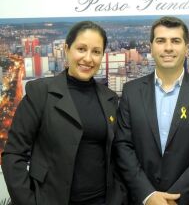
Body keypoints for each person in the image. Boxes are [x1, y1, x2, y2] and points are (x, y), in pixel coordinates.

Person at [1, 21, 126, 205]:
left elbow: (116, 156)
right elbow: (13, 154)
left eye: (96, 52)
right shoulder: (40, 92)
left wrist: (119, 197)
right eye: (81, 49)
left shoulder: (110, 98)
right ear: (67, 49)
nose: (88, 58)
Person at [115, 16, 189, 205]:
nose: (168, 48)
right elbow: (123, 146)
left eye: (175, 41)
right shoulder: (131, 91)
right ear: (150, 47)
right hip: (143, 200)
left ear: (187, 47)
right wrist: (149, 195)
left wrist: (174, 198)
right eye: (161, 41)